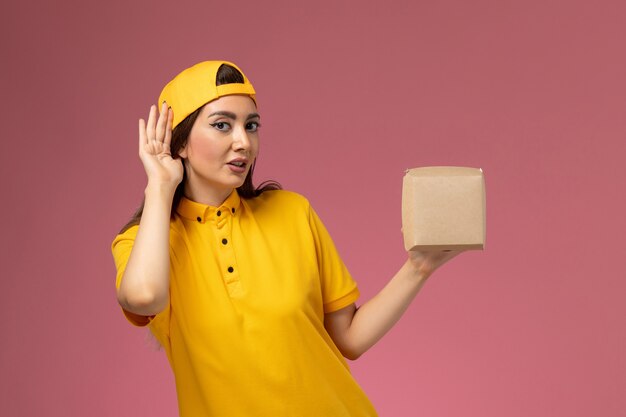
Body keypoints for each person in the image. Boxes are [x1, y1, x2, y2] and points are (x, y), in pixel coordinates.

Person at [111, 60, 459, 417]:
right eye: (221, 125)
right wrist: (160, 185)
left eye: (251, 126)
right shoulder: (145, 244)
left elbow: (350, 339)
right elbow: (144, 297)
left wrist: (419, 267)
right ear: (179, 141)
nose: (243, 142)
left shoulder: (292, 212)